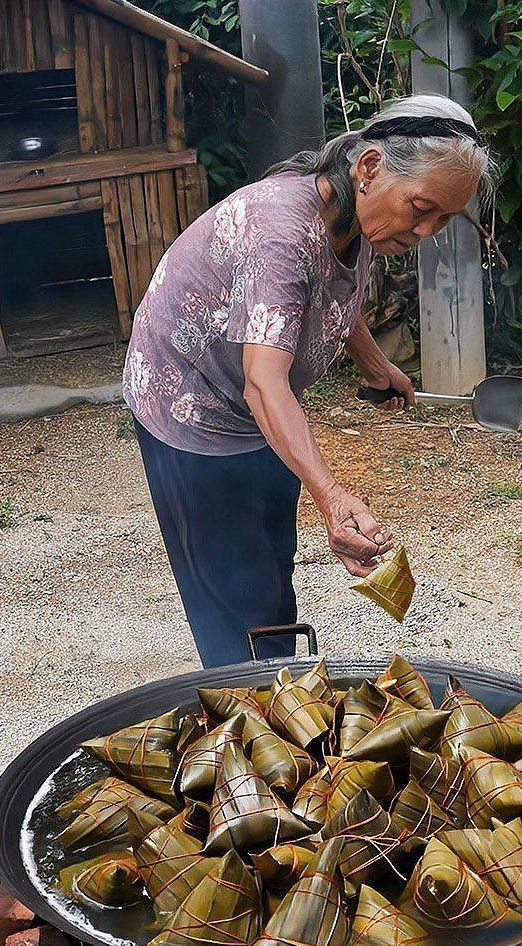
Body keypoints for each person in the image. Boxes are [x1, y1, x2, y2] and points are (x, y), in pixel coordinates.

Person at [122, 95, 493, 666]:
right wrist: (332, 497)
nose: (425, 230)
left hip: (259, 407)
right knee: (233, 594)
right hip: (191, 405)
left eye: (443, 219)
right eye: (421, 208)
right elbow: (263, 385)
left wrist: (375, 365)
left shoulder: (354, 217)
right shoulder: (282, 231)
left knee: (272, 562)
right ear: (369, 167)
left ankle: (278, 678)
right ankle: (246, 695)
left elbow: (326, 292)